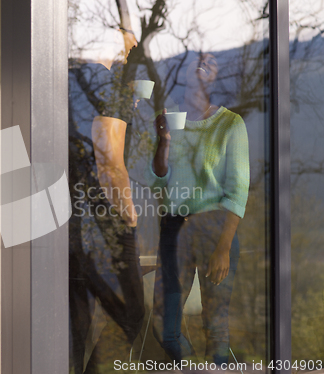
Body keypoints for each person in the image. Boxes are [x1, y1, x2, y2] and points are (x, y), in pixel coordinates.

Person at [149, 53, 249, 366]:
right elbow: (157, 183)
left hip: (215, 230)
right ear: (187, 73)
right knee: (167, 329)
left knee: (214, 324)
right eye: (197, 59)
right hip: (175, 231)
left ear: (216, 76)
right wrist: (163, 143)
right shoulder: (173, 121)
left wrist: (223, 246)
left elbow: (237, 191)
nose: (203, 64)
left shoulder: (231, 124)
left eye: (212, 60)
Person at [68, 22, 145, 373]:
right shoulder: (104, 85)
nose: (131, 53)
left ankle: (87, 368)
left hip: (69, 209)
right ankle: (140, 347)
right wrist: (129, 213)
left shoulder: (67, 76)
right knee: (134, 308)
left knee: (78, 299)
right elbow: (109, 163)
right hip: (102, 210)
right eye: (128, 46)